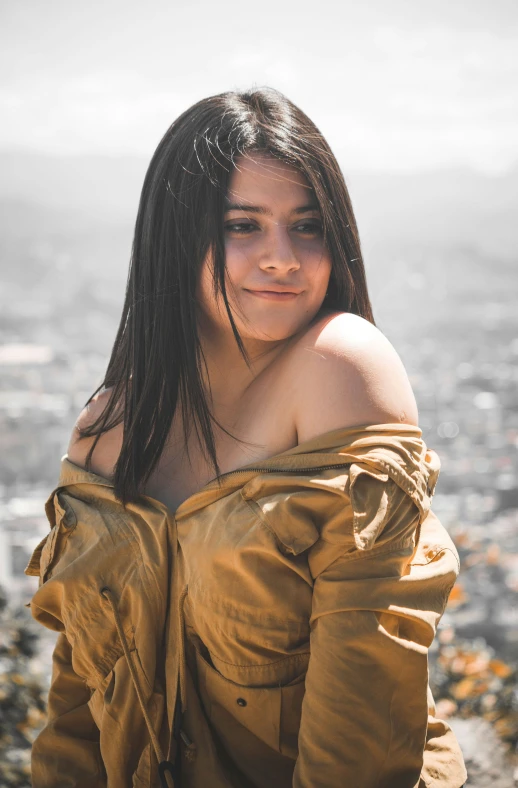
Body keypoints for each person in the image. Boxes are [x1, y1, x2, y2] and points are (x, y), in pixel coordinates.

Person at [26, 87, 468, 787]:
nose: (283, 258)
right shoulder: (106, 433)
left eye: (308, 226)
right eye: (242, 226)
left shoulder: (338, 365)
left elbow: (361, 722)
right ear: (177, 235)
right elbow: (78, 714)